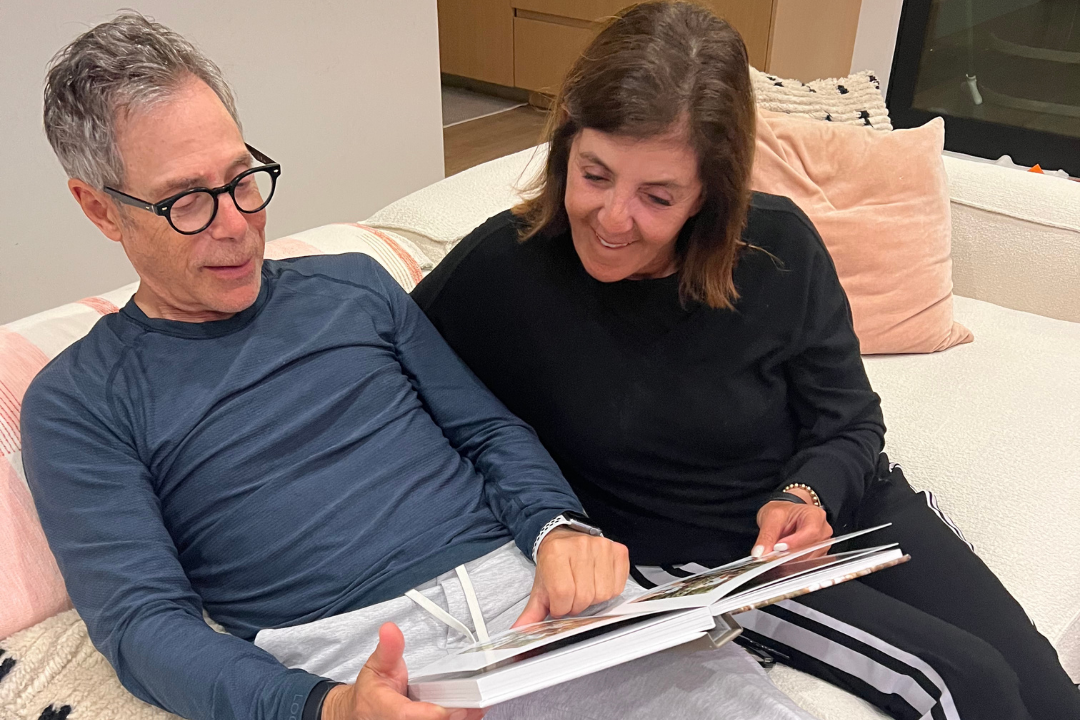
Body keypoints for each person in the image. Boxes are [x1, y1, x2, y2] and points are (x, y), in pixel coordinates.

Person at [22, 12, 817, 720]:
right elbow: (142, 624)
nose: (235, 224)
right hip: (355, 657)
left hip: (528, 592)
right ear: (100, 209)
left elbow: (488, 432)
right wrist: (323, 707)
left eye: (241, 180)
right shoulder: (78, 400)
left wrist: (558, 527)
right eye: (186, 201)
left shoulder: (353, 287)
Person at [412, 3, 1080, 720]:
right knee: (973, 681)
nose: (612, 219)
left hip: (847, 503)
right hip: (707, 559)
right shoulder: (501, 269)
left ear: (709, 191)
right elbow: (383, 368)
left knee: (1045, 686)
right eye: (595, 175)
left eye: (657, 196)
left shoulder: (778, 247)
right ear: (565, 145)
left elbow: (849, 418)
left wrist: (810, 495)